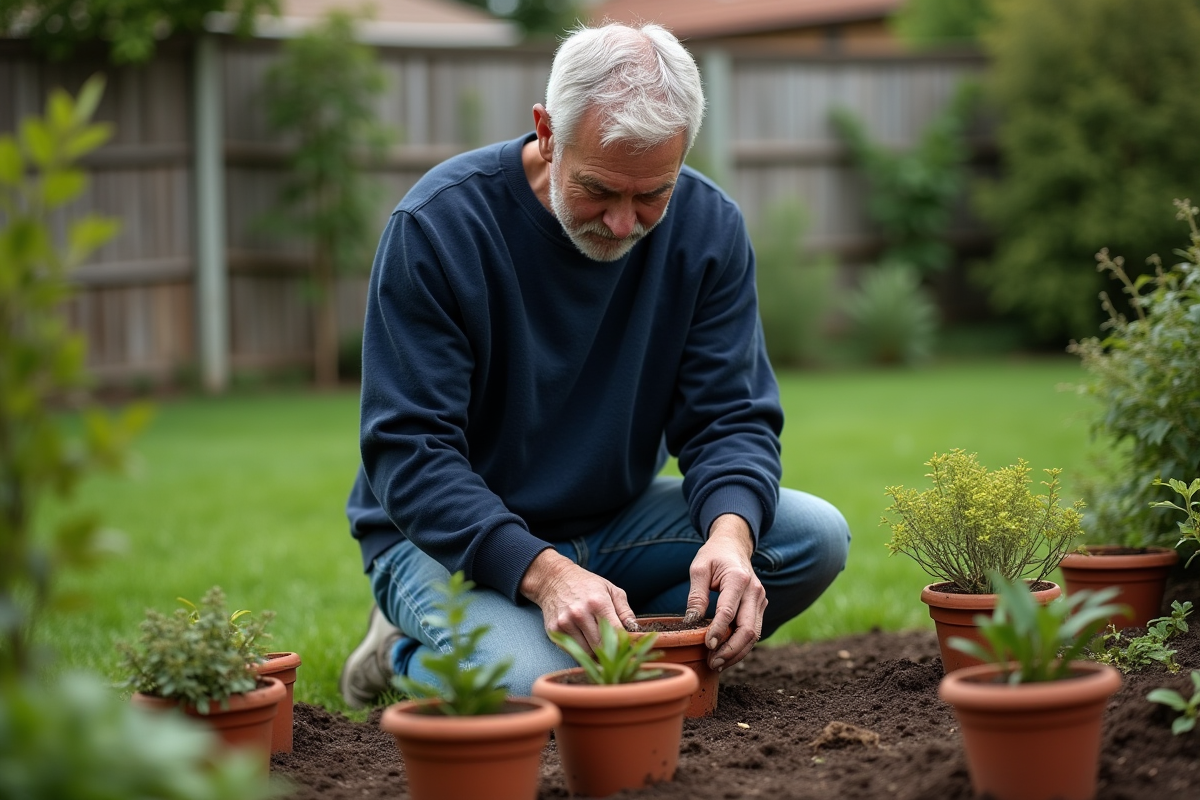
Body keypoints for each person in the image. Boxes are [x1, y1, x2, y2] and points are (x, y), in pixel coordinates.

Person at [339, 21, 850, 708]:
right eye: (600, 191)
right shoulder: (439, 229)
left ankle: (610, 634)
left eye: (652, 195)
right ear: (547, 132)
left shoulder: (709, 230)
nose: (623, 223)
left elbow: (728, 415)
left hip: (614, 522)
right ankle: (403, 653)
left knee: (810, 538)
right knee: (546, 689)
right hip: (442, 544)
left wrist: (730, 537)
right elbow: (410, 454)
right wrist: (546, 577)